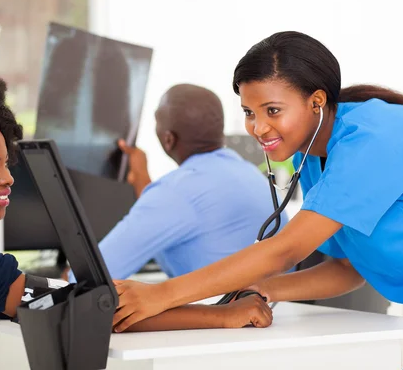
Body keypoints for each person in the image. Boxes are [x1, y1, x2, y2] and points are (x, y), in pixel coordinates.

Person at [0, 70, 273, 369]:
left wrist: (65, 294)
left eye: (6, 162)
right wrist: (220, 316)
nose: (9, 176)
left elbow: (52, 299)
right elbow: (84, 310)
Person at [111, 31, 403, 370]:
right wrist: (265, 288)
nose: (258, 127)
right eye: (249, 112)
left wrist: (160, 294)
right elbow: (347, 269)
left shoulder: (374, 137)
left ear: (316, 101)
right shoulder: (315, 156)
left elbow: (286, 249)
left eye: (272, 110)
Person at [69, 83, 288, 281]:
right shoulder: (249, 173)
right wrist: (142, 179)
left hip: (226, 318)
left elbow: (89, 277)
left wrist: (62, 276)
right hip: (282, 313)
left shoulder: (175, 192)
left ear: (168, 139)